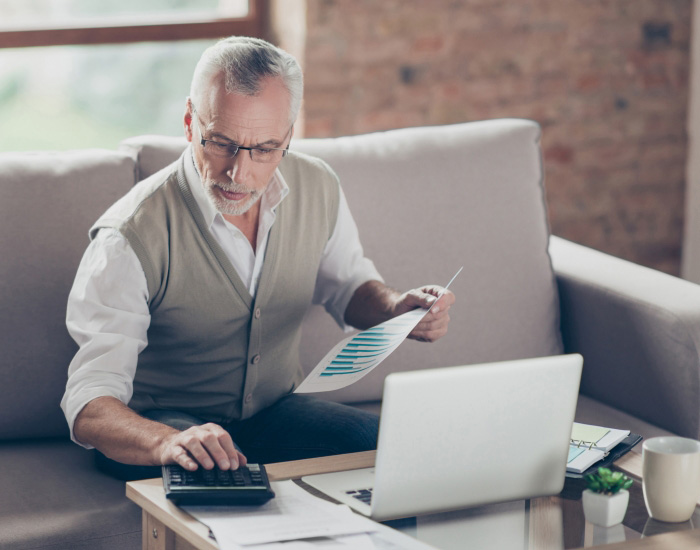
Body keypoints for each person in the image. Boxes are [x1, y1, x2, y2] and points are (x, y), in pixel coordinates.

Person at [61, 36, 455, 480]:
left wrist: (395, 308)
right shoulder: (129, 235)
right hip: (165, 424)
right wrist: (166, 441)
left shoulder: (318, 185)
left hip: (275, 412)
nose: (238, 173)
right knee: (214, 477)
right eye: (221, 143)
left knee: (396, 449)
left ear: (288, 135)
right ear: (190, 121)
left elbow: (346, 287)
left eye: (265, 149)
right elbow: (90, 403)